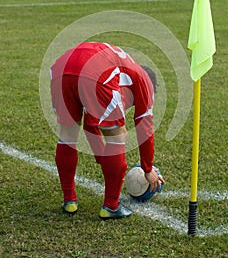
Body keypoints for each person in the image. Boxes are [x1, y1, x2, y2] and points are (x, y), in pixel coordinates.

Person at [50, 42, 165, 219]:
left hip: (61, 68)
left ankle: (69, 200)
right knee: (117, 135)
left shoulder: (124, 74)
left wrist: (103, 158)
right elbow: (145, 128)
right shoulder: (144, 83)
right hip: (95, 72)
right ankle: (111, 206)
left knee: (67, 135)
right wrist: (148, 168)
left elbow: (90, 123)